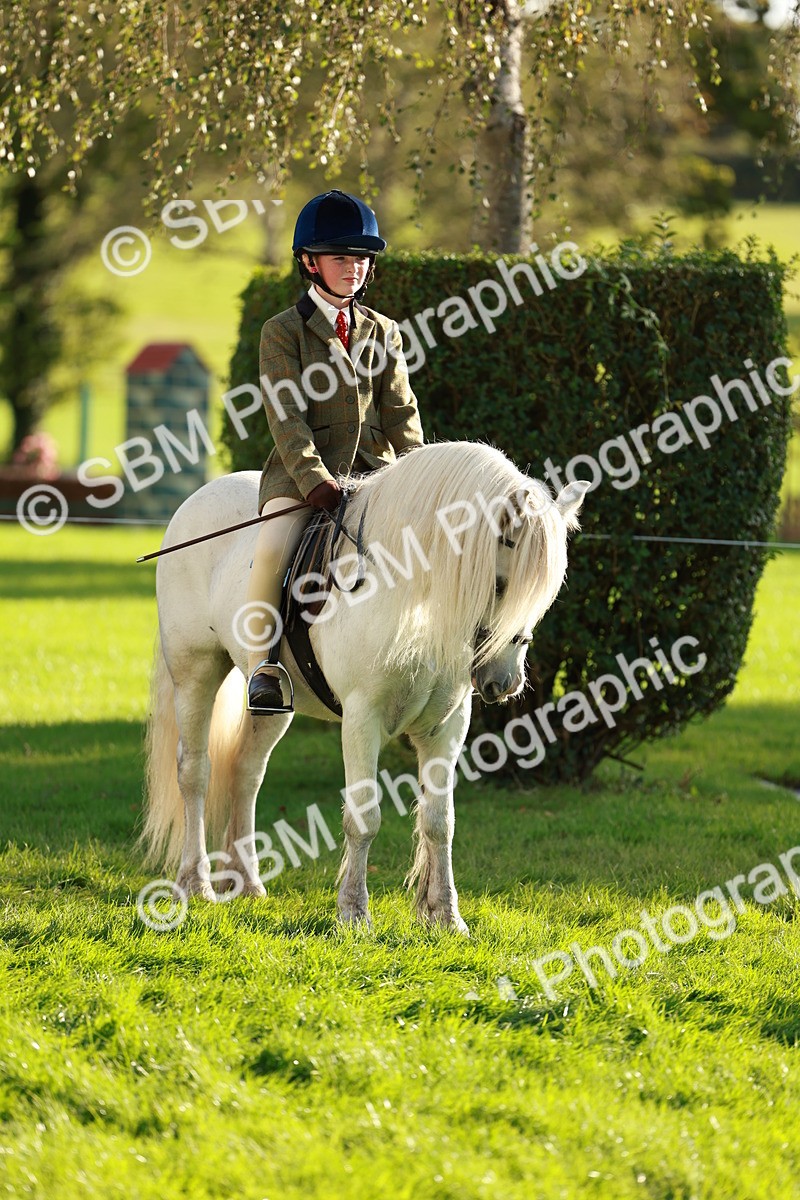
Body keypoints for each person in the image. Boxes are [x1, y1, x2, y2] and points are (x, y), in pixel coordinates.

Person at [245, 189, 424, 713]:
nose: (354, 268)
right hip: (303, 480)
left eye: (361, 258)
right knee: (272, 550)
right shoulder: (282, 332)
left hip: (374, 476)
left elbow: (401, 413)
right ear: (309, 262)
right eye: (341, 257)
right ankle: (264, 667)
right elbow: (287, 418)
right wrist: (314, 479)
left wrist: (418, 474)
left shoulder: (384, 332)